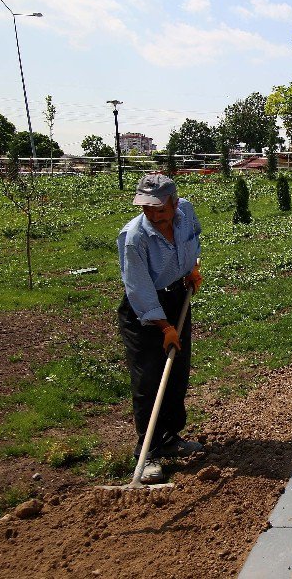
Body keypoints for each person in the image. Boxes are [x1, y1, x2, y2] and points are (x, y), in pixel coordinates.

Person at [117, 173, 204, 483]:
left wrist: (191, 267)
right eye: (147, 209)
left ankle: (170, 437)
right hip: (145, 312)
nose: (154, 215)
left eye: (160, 209)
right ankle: (148, 451)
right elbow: (138, 289)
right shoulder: (134, 238)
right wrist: (164, 326)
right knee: (149, 378)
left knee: (177, 373)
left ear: (174, 203)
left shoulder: (186, 213)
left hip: (177, 297)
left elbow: (195, 236)